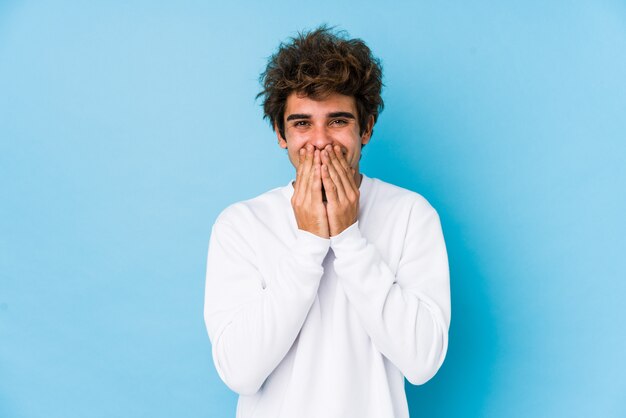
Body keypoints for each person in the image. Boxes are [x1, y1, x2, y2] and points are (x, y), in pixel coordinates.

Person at [203, 25, 451, 418]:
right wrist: (309, 243)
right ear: (281, 134)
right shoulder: (241, 225)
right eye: (302, 123)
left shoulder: (410, 215)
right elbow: (240, 372)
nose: (320, 140)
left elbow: (422, 362)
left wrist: (350, 238)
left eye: (337, 121)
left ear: (365, 129)